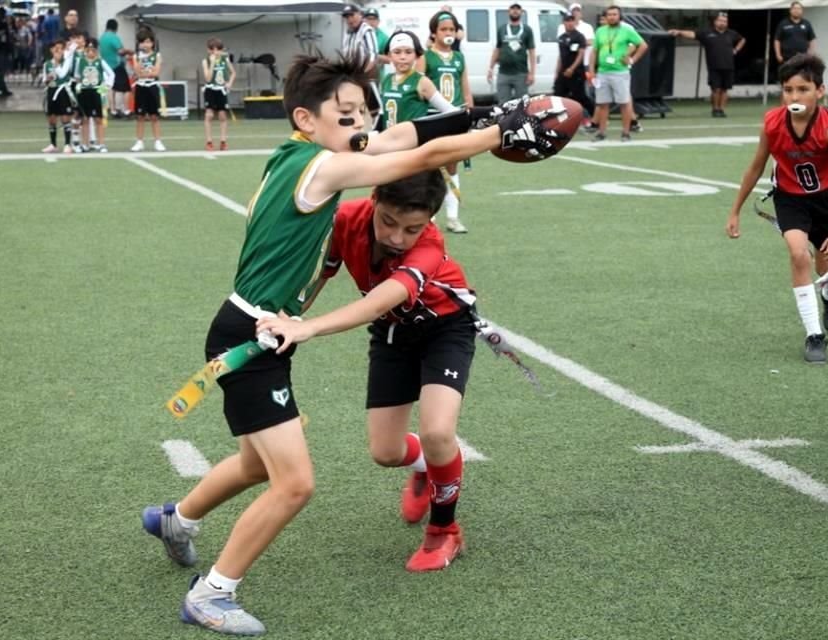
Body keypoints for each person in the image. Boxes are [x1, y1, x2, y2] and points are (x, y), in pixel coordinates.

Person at [139, 51, 557, 636]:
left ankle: (175, 520)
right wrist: (497, 134)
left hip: (255, 327)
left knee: (258, 465)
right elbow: (423, 156)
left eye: (364, 113)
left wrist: (475, 112)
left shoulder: (295, 153)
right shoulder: (323, 166)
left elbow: (405, 134)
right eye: (347, 115)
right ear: (308, 120)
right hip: (255, 331)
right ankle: (212, 593)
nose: (361, 127)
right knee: (295, 483)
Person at [257, 169, 475, 572]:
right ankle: (428, 467)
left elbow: (376, 302)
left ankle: (445, 531)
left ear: (428, 220)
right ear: (375, 198)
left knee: (437, 431)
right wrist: (285, 316)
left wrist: (307, 329)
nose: (396, 237)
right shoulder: (345, 219)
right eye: (388, 221)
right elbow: (316, 277)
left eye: (411, 228)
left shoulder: (429, 246)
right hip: (394, 331)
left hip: (446, 328)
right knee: (386, 452)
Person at [726, 54, 828, 364]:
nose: (794, 96)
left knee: (827, 270)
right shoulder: (772, 123)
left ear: (820, 91)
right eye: (788, 90)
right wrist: (735, 210)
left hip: (827, 200)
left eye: (803, 89)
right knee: (798, 255)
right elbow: (755, 167)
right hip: (789, 199)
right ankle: (814, 336)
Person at [419, 11, 472, 234]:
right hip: (433, 117)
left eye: (451, 29)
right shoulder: (426, 57)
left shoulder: (459, 58)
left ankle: (452, 217)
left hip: (456, 117)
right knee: (429, 166)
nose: (448, 33)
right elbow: (418, 86)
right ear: (434, 33)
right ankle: (428, 216)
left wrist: (470, 112)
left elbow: (465, 88)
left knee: (452, 166)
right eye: (444, 29)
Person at [588, 5, 647, 142]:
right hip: (603, 72)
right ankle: (601, 133)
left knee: (624, 103)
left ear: (619, 16)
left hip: (620, 72)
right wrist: (591, 69)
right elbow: (595, 51)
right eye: (609, 14)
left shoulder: (627, 30)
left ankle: (626, 133)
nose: (612, 17)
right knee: (603, 103)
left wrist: (632, 60)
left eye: (614, 14)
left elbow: (642, 45)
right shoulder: (600, 31)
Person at [669, 12, 745, 118]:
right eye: (720, 20)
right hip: (714, 67)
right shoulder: (707, 33)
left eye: (725, 21)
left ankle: (722, 110)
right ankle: (715, 109)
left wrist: (736, 50)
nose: (723, 23)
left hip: (729, 66)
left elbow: (742, 39)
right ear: (715, 22)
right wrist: (679, 32)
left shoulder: (731, 33)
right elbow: (692, 34)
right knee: (716, 89)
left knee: (725, 89)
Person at [379, 30, 454, 130]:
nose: (403, 57)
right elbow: (382, 114)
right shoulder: (386, 80)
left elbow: (450, 111)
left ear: (416, 55)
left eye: (408, 52)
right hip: (388, 142)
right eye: (397, 52)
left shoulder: (422, 81)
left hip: (413, 143)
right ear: (389, 55)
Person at [341, 4, 381, 124]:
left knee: (375, 106)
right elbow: (346, 54)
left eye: (352, 15)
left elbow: (373, 55)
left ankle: (380, 130)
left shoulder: (366, 30)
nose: (349, 19)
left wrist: (363, 73)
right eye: (347, 17)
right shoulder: (348, 33)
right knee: (353, 104)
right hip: (353, 75)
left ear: (359, 14)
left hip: (366, 74)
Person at [488, 3, 535, 104]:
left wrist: (532, 73)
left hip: (521, 74)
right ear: (508, 11)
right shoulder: (502, 29)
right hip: (503, 73)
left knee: (522, 104)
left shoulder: (527, 30)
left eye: (518, 9)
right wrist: (490, 68)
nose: (515, 11)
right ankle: (504, 120)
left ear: (521, 12)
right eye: (513, 8)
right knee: (503, 105)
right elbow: (497, 49)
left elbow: (532, 51)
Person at [74, 38, 114, 152]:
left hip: (96, 91)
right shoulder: (80, 61)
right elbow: (77, 76)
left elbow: (111, 74)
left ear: (97, 50)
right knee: (85, 119)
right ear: (85, 50)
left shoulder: (100, 61)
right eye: (88, 50)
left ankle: (101, 144)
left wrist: (104, 89)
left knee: (98, 119)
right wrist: (78, 86)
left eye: (93, 50)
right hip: (84, 92)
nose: (90, 53)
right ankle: (85, 144)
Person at [130, 28, 165, 152]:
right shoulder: (136, 56)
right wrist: (140, 61)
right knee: (140, 116)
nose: (146, 44)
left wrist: (146, 73)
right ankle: (139, 141)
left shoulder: (157, 55)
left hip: (152, 86)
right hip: (141, 87)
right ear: (139, 44)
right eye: (143, 42)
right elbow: (137, 72)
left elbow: (156, 72)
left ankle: (157, 141)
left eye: (149, 42)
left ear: (153, 43)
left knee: (154, 115)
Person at [553, 13, 591, 116]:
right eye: (567, 21)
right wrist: (557, 72)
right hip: (563, 72)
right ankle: (558, 118)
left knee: (580, 96)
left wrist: (572, 68)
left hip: (576, 72)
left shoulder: (579, 36)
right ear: (563, 22)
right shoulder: (561, 37)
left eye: (571, 21)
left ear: (575, 22)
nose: (570, 23)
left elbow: (581, 54)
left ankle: (595, 116)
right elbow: (561, 56)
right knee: (558, 95)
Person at [202, 37, 236, 151]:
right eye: (213, 50)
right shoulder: (205, 61)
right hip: (210, 90)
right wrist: (212, 63)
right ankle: (209, 141)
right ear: (209, 50)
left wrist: (229, 83)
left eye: (218, 50)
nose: (216, 52)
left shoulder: (225, 59)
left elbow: (233, 73)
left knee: (222, 116)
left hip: (221, 90)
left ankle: (223, 141)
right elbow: (208, 78)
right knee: (209, 115)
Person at [41, 39, 75, 153]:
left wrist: (57, 62)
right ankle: (53, 144)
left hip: (63, 90)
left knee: (65, 117)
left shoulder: (66, 61)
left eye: (60, 49)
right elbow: (44, 80)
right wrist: (47, 79)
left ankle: (67, 144)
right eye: (56, 49)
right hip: (51, 90)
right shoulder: (47, 64)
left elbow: (63, 73)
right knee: (51, 119)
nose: (58, 51)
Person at [99, 19, 132, 119]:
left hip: (105, 66)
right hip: (116, 65)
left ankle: (112, 110)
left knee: (110, 88)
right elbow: (120, 51)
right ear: (116, 27)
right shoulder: (113, 37)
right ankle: (126, 110)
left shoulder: (102, 37)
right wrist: (130, 51)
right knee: (126, 88)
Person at [774, 2, 816, 66]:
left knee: (801, 75)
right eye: (794, 8)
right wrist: (778, 55)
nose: (796, 10)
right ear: (790, 10)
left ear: (802, 11)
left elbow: (812, 39)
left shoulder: (807, 23)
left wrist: (810, 54)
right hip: (786, 58)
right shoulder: (783, 23)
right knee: (787, 75)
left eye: (799, 9)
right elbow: (777, 40)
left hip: (802, 58)